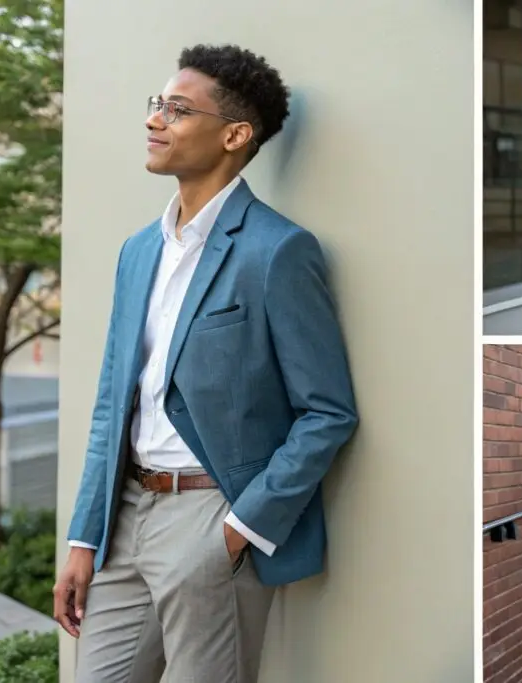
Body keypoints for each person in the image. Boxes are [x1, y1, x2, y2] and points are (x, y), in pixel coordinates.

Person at [52, 44, 359, 682]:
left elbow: (327, 411)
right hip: (125, 513)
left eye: (177, 109)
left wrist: (237, 529)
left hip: (208, 515)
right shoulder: (138, 251)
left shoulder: (278, 251)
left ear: (234, 135)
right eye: (156, 105)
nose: (154, 120)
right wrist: (85, 537)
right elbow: (115, 400)